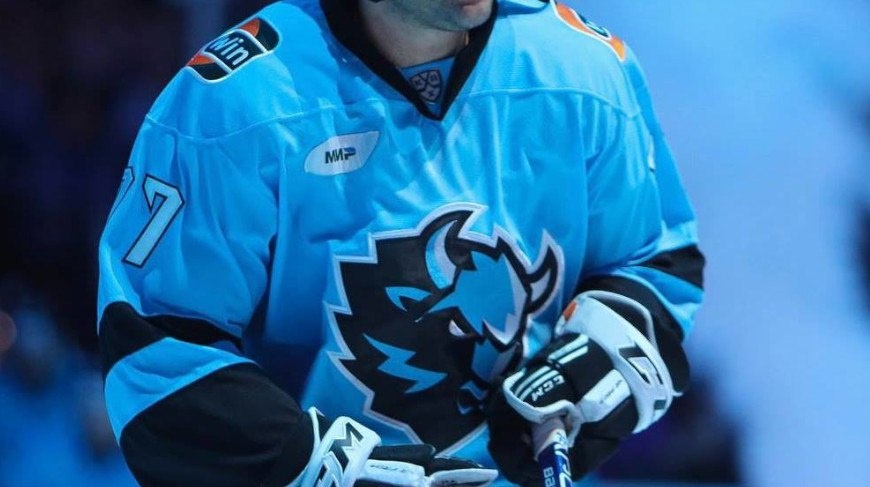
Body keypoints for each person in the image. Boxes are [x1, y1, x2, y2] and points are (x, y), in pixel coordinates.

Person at [97, 0, 704, 485]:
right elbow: (154, 351)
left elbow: (655, 261)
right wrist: (313, 466)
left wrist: (591, 367)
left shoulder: (583, 73)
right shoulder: (234, 103)